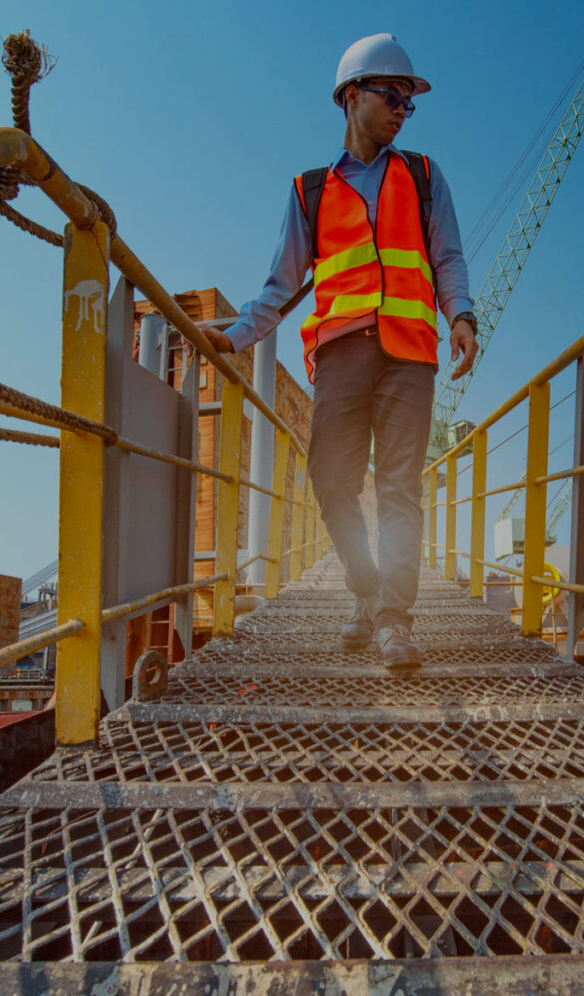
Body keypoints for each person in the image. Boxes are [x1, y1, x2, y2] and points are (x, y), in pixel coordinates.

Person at [200, 33, 478, 671]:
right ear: (352, 96)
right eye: (392, 95)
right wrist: (235, 336)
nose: (402, 109)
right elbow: (278, 287)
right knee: (330, 479)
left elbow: (448, 258)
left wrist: (460, 314)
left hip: (410, 352)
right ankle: (366, 589)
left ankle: (394, 621)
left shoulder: (424, 176)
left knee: (401, 486)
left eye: (410, 101)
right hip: (341, 354)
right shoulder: (311, 191)